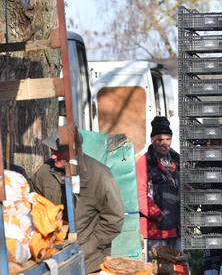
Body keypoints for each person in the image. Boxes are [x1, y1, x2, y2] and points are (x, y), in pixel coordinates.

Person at [31, 132, 124, 274]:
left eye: (57, 152)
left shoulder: (101, 176)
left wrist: (87, 247)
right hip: (53, 260)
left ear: (72, 152)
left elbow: (114, 219)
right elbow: (33, 204)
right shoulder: (44, 172)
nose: (52, 156)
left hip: (89, 263)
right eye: (52, 151)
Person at [136, 116, 180, 261]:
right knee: (157, 268)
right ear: (152, 140)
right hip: (155, 230)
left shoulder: (177, 160)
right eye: (160, 140)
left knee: (178, 268)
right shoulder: (144, 162)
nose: (164, 143)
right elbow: (140, 195)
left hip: (177, 229)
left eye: (168, 139)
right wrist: (159, 215)